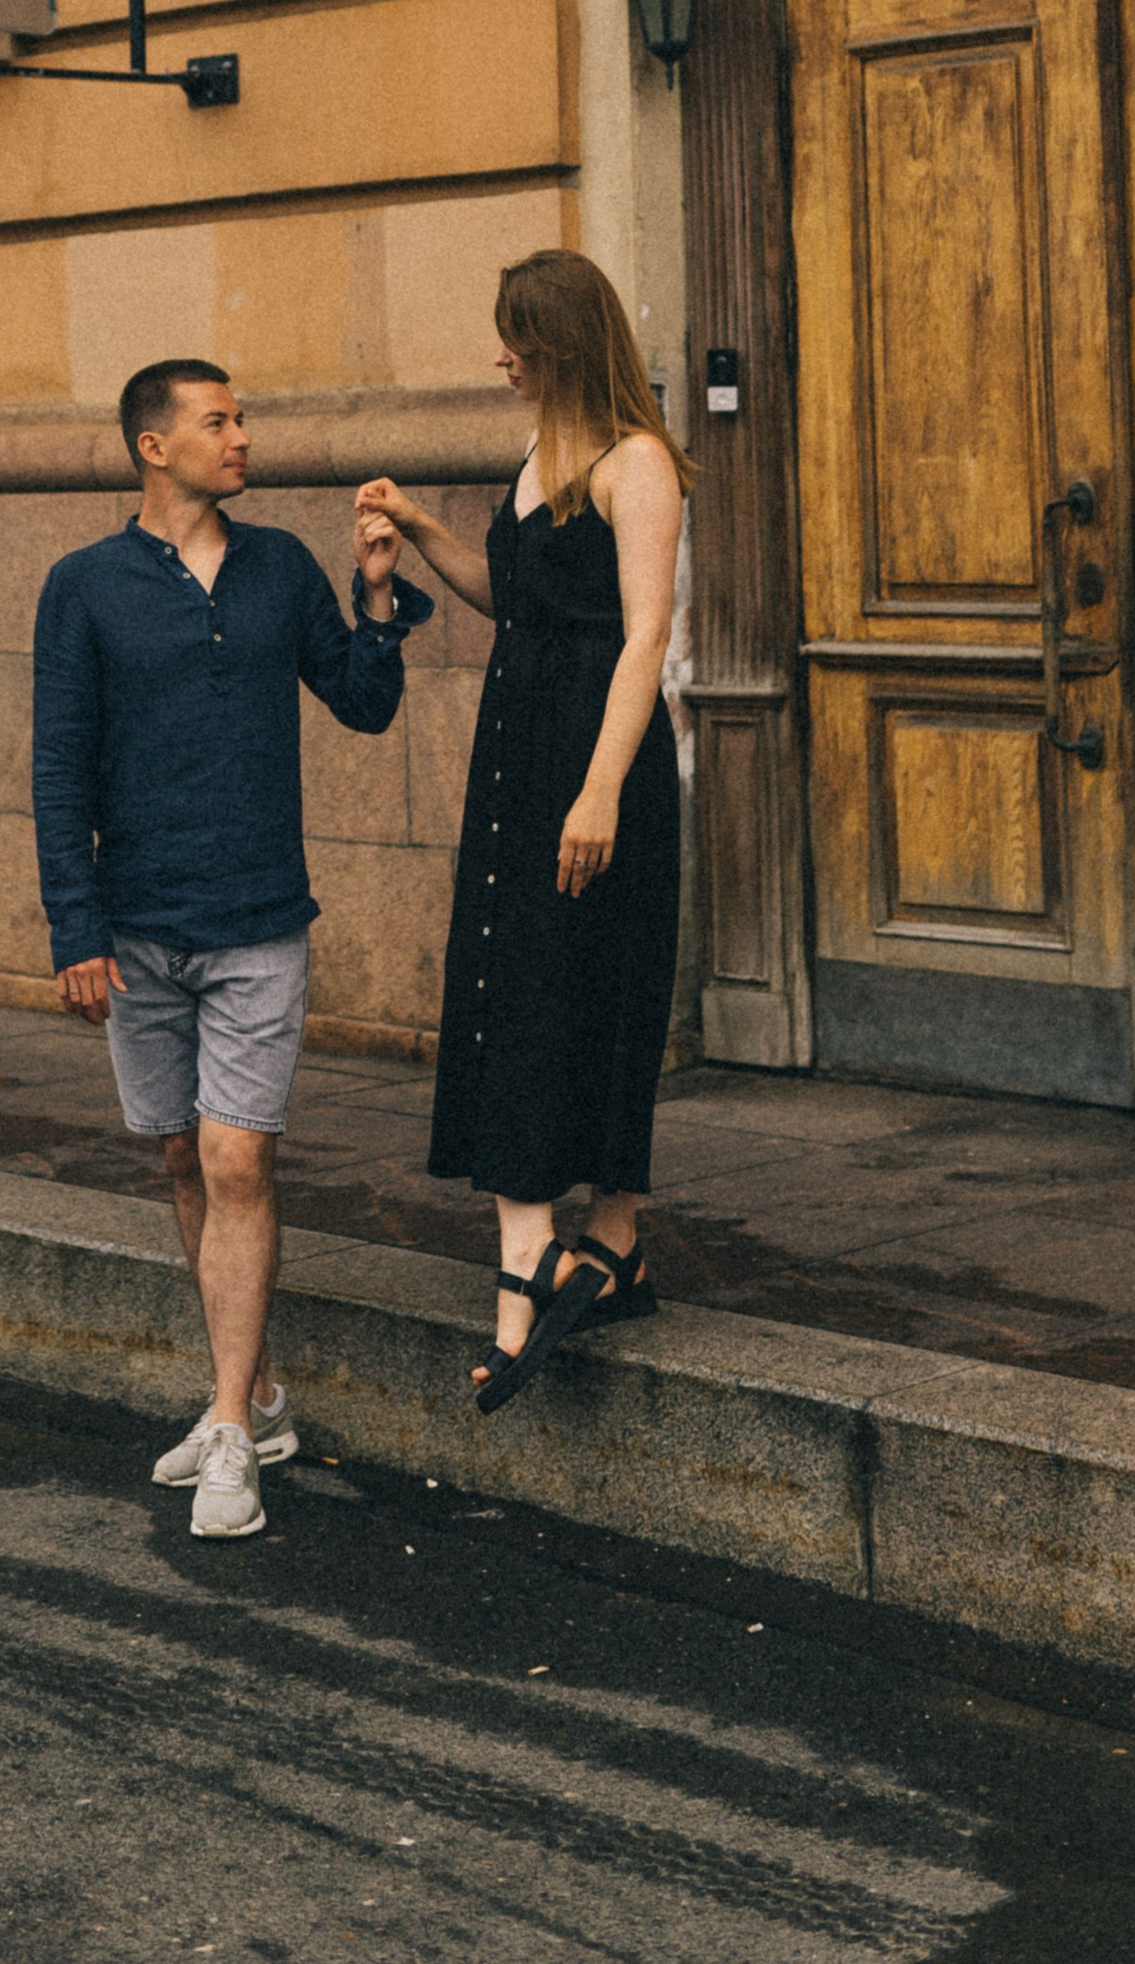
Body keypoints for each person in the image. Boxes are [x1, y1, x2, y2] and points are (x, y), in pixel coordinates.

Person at [32, 359, 431, 1539]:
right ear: (155, 447)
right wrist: (76, 925)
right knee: (179, 1163)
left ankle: (224, 1433)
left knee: (237, 1161)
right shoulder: (85, 587)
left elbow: (361, 703)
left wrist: (373, 598)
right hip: (139, 925)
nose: (243, 436)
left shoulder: (278, 570)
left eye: (243, 417)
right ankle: (255, 1393)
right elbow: (59, 766)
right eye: (219, 421)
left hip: (259, 918)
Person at [357, 249, 690, 1414]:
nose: (498, 354)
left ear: (556, 339)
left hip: (595, 760)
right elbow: (514, 596)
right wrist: (416, 526)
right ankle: (600, 1250)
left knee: (586, 987)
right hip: (520, 753)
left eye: (512, 335)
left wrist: (598, 791)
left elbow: (642, 636)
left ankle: (583, 1245)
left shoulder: (634, 461)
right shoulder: (534, 458)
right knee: (517, 984)